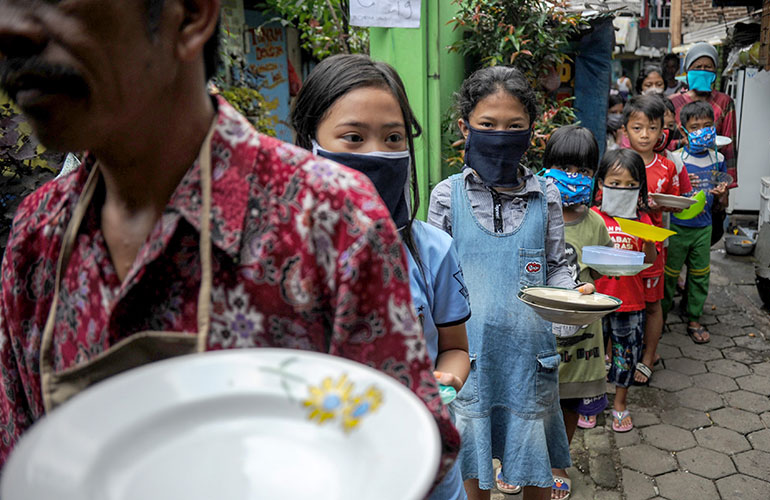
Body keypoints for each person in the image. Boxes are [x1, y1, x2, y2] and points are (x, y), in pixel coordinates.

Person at [0, 0, 461, 481]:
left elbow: (406, 450)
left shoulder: (331, 222)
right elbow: (21, 458)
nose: (9, 27)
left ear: (192, 15)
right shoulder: (39, 235)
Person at [290, 53, 471, 500]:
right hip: (320, 471)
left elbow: (454, 350)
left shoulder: (433, 251)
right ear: (309, 142)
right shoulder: (276, 255)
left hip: (425, 465)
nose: (377, 154)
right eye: (353, 137)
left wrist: (443, 383)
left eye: (393, 138)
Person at [427, 65, 594, 500]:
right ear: (465, 127)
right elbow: (436, 281)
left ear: (531, 132)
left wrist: (570, 297)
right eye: (487, 125)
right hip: (471, 362)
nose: (500, 134)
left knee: (534, 470)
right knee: (473, 470)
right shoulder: (446, 197)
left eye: (513, 126)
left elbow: (556, 266)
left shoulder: (548, 196)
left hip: (530, 361)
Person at [541, 126, 611, 500]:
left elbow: (597, 270)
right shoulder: (533, 213)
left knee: (568, 401)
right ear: (545, 168)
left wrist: (588, 287)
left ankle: (558, 463)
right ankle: (514, 459)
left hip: (580, 333)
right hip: (536, 330)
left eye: (583, 170)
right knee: (528, 397)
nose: (574, 177)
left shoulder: (595, 223)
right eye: (564, 167)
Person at [622, 95, 688, 385]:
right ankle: (616, 354)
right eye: (637, 128)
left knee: (652, 303)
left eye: (652, 128)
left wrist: (660, 205)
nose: (645, 134)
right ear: (625, 129)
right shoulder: (617, 163)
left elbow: (676, 202)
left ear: (663, 130)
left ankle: (648, 357)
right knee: (617, 300)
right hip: (620, 245)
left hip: (652, 248)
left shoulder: (667, 167)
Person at [591, 149, 657, 432]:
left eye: (631, 185)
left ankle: (620, 403)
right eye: (615, 183)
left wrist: (652, 241)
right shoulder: (592, 217)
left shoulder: (643, 222)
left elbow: (651, 262)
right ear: (600, 184)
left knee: (625, 355)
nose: (622, 189)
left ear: (640, 188)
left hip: (630, 303)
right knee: (592, 355)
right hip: (593, 302)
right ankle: (590, 402)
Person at [663, 102, 729, 344]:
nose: (703, 131)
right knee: (669, 275)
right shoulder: (676, 158)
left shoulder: (718, 158)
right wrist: (681, 184)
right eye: (696, 127)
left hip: (704, 227)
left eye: (708, 126)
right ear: (684, 131)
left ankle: (693, 317)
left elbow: (723, 201)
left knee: (700, 274)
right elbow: (669, 194)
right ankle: (659, 317)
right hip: (678, 227)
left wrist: (721, 195)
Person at [670, 42, 737, 246]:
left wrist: (728, 187)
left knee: (709, 234)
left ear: (715, 72)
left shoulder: (724, 102)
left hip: (712, 175)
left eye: (708, 67)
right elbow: (664, 141)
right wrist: (684, 142)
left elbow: (729, 145)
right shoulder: (673, 102)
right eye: (697, 67)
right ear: (687, 71)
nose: (702, 70)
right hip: (682, 175)